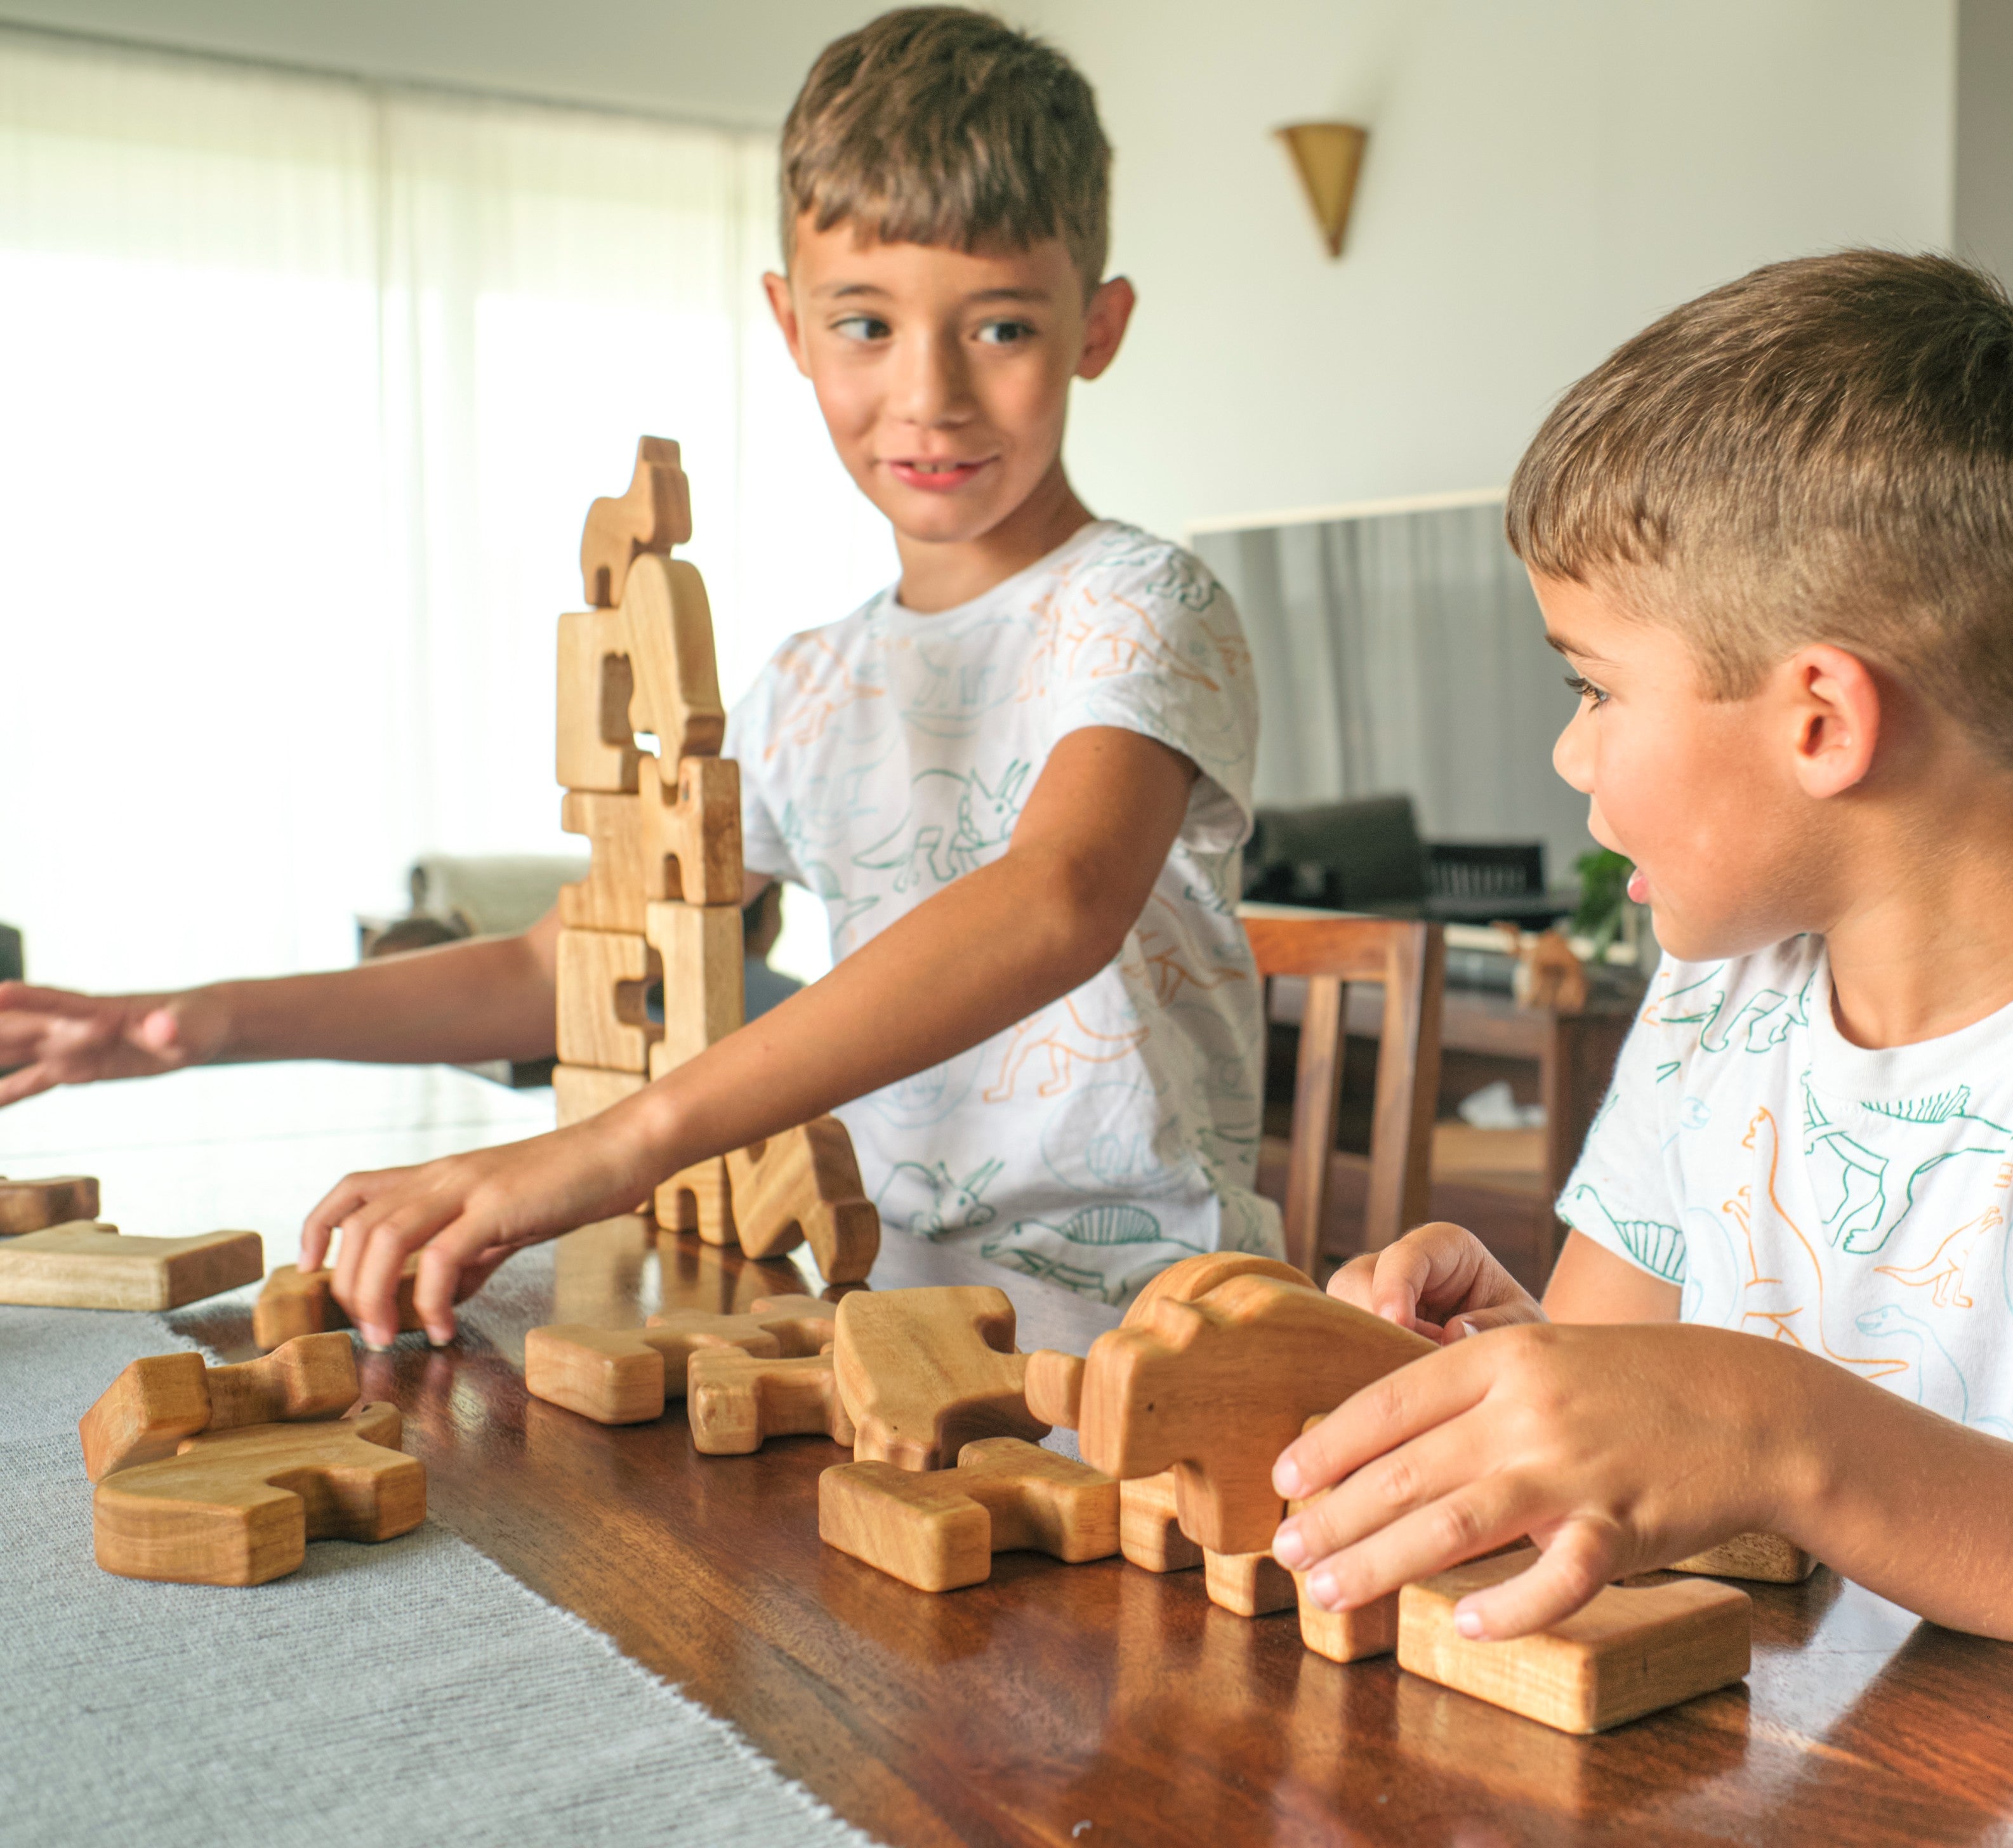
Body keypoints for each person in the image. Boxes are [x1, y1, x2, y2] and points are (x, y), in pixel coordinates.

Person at [1266, 251, 2013, 1715]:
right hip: (1779, 1776)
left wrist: (1782, 1429)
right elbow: (1628, 1399)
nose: (1571, 752)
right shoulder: (1716, 1004)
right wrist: (1509, 1375)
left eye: (1596, 687)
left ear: (1821, 719)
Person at [0, 7, 1275, 1339]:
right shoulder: (810, 683)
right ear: (790, 324)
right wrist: (188, 1024)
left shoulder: (1148, 604)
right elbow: (570, 962)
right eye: (865, 323)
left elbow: (1057, 897)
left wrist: (616, 1145)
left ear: (1098, 328)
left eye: (1001, 328)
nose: (928, 394)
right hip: (895, 1312)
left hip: (1158, 1322)